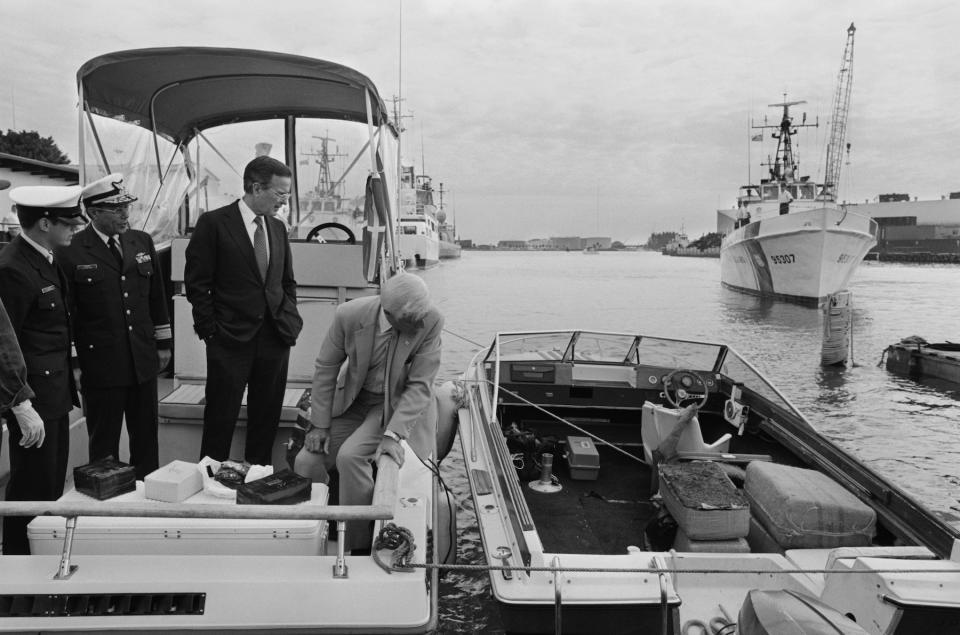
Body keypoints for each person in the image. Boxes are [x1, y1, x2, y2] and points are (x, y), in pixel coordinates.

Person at [295, 273, 443, 553]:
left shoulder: (431, 320)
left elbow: (421, 385)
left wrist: (393, 435)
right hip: (352, 402)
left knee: (350, 457)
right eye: (413, 320)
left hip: (391, 407)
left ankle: (358, 546)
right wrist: (320, 425)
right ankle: (311, 534)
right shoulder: (348, 315)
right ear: (390, 313)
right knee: (305, 461)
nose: (420, 323)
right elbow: (326, 369)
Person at [184, 156, 303, 465]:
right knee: (220, 418)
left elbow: (286, 282)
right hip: (229, 340)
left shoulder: (277, 228)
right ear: (255, 187)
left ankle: (258, 480)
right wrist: (211, 331)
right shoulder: (214, 224)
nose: (284, 202)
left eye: (287, 195)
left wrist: (289, 321)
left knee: (266, 417)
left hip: (275, 339)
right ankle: (209, 481)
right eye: (280, 194)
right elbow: (197, 284)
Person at [57, 173, 172, 479]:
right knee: (104, 443)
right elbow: (66, 314)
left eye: (127, 207)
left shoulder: (141, 241)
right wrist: (75, 363)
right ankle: (106, 503)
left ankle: (148, 497)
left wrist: (163, 343)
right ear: (93, 213)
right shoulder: (71, 250)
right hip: (101, 364)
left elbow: (157, 297)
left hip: (143, 359)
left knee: (146, 437)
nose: (125, 214)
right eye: (116, 209)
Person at [0, 184, 85, 554]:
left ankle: (42, 557)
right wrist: (19, 403)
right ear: (45, 223)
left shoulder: (45, 257)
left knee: (50, 484)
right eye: (69, 222)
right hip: (32, 398)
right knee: (29, 489)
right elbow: (5, 342)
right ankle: (18, 561)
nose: (75, 228)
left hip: (54, 395)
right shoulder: (13, 268)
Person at [648, 403, 699, 496]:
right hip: (666, 455)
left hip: (663, 454)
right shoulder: (673, 440)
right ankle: (658, 494)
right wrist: (691, 409)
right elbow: (679, 427)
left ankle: (656, 494)